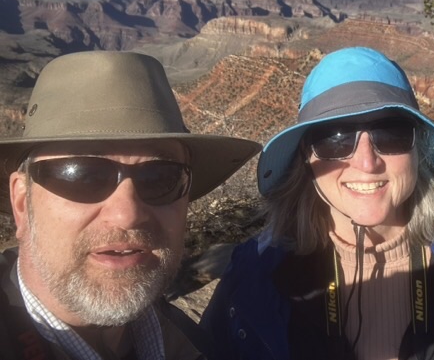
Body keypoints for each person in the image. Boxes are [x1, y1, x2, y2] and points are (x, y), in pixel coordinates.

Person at [201, 46, 434, 360]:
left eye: (391, 133)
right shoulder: (253, 274)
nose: (367, 162)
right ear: (306, 157)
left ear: (418, 149)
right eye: (335, 138)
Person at [0, 51, 261, 360]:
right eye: (84, 176)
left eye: (161, 177)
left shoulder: (193, 343)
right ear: (22, 203)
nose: (128, 214)